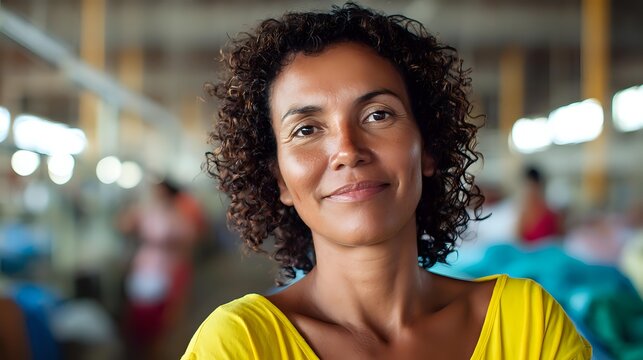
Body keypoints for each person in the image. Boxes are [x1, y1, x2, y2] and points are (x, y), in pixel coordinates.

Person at [183, 3, 591, 359]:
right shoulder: (240, 344)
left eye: (378, 114)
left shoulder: (526, 323)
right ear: (281, 181)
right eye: (306, 129)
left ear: (427, 147)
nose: (347, 150)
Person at [516, 166, 561, 244]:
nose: (529, 192)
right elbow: (518, 241)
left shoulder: (551, 214)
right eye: (527, 188)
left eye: (533, 188)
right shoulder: (522, 215)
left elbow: (559, 240)